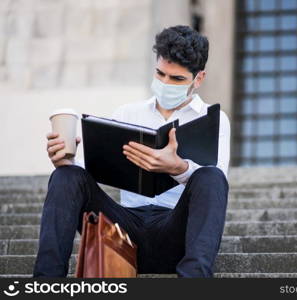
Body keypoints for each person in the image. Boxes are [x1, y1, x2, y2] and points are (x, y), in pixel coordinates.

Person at [33, 25, 230, 278]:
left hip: (176, 233)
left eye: (177, 79)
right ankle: (46, 281)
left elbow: (217, 183)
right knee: (66, 176)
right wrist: (65, 161)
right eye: (160, 74)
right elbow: (86, 174)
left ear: (198, 78)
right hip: (123, 233)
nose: (165, 83)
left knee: (211, 177)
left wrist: (177, 167)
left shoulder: (213, 119)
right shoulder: (127, 114)